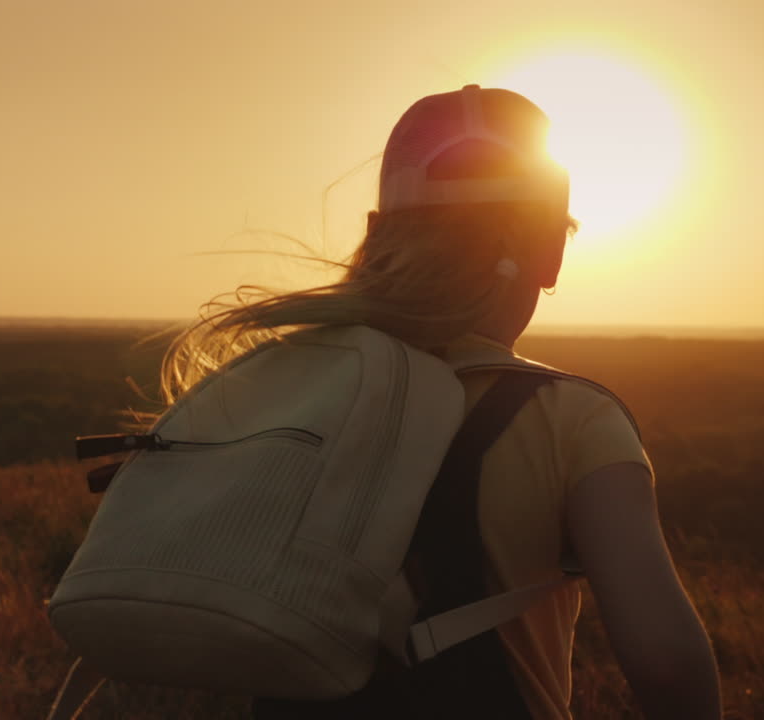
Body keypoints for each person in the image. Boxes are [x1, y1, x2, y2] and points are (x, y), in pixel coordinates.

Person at [155, 85, 721, 719]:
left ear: (377, 236)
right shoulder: (575, 420)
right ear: (549, 251)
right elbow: (668, 665)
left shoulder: (280, 389)